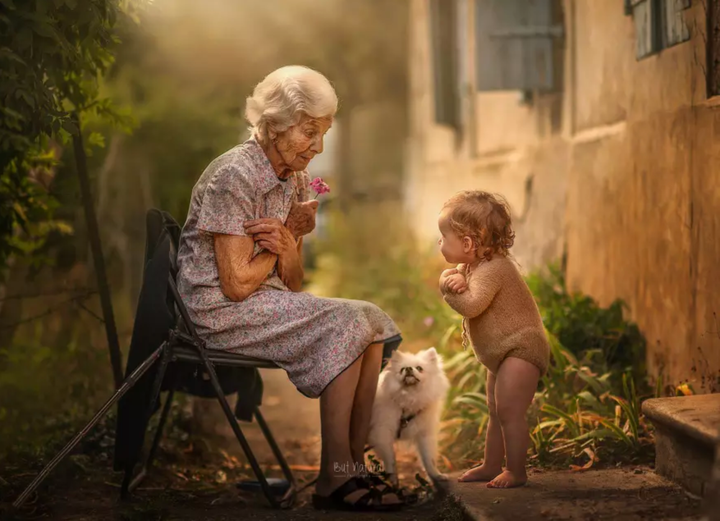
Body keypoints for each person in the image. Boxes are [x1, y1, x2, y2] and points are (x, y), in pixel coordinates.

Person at [176, 65, 404, 511]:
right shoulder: (234, 176)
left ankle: (351, 469)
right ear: (275, 124)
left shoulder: (292, 178)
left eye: (323, 134)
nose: (318, 147)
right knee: (347, 322)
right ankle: (332, 482)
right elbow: (238, 284)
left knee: (371, 322)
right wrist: (279, 241)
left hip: (262, 301)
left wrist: (289, 243)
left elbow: (293, 283)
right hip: (216, 312)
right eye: (309, 133)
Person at [437, 191, 550, 488]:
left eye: (443, 237)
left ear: (467, 244)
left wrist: (448, 289)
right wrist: (453, 277)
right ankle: (491, 464)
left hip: (521, 349)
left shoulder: (495, 268)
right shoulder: (472, 266)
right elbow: (462, 282)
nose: (440, 243)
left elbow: (472, 305)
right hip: (502, 353)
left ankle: (515, 470)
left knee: (509, 411)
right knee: (495, 411)